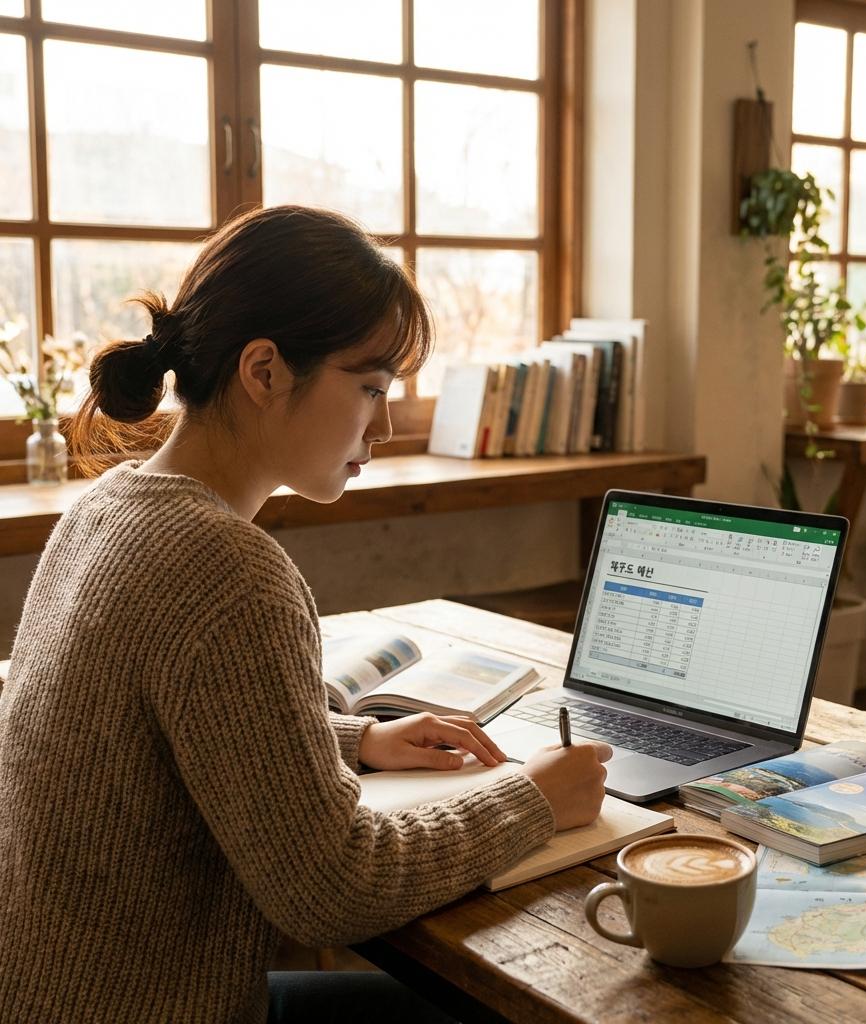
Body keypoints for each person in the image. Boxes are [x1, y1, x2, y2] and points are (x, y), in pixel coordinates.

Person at [0, 205, 611, 1023]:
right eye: (369, 386)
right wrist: (534, 799)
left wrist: (361, 738)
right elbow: (333, 890)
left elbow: (158, 738)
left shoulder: (106, 508)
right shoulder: (227, 572)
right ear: (263, 371)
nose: (386, 425)